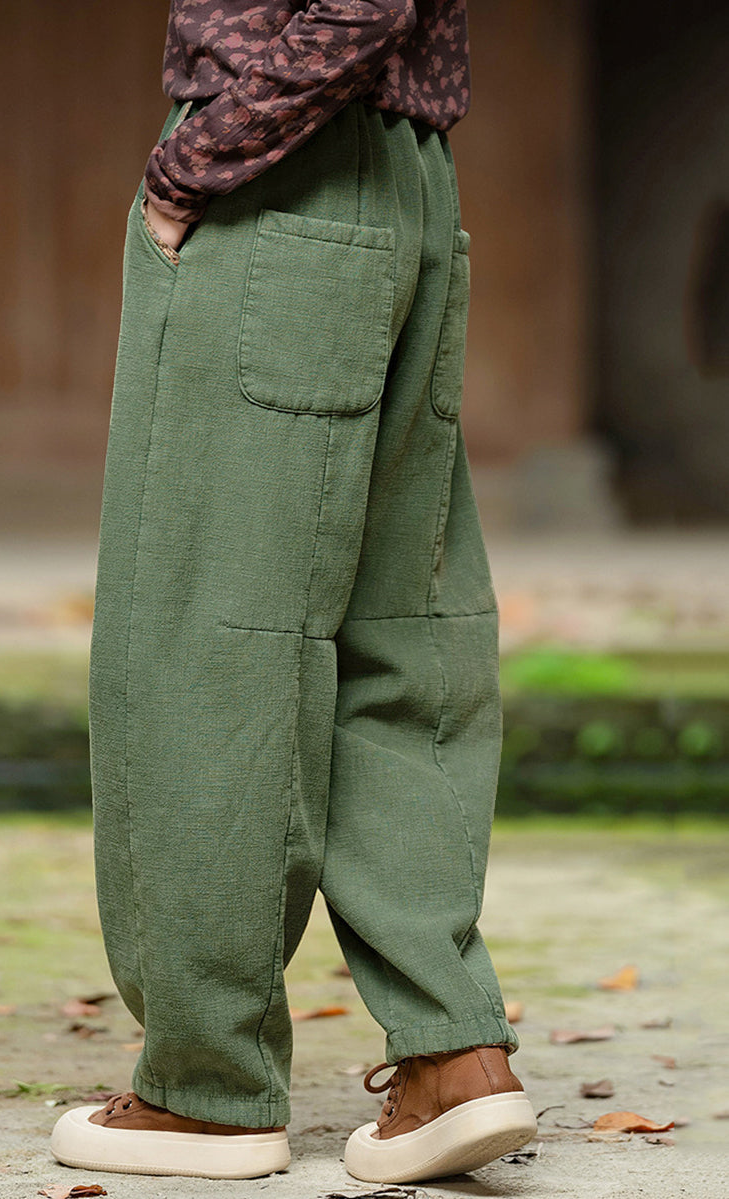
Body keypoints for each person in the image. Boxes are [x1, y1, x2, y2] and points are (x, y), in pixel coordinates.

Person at [51, 0, 536, 1183]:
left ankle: (208, 1088)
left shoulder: (244, 146)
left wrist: (198, 159)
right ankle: (453, 1053)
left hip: (279, 176)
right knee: (399, 627)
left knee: (209, 633)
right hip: (413, 181)